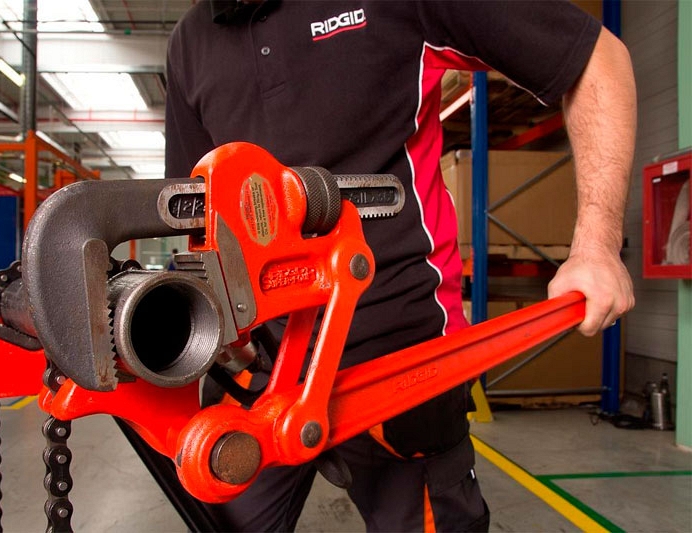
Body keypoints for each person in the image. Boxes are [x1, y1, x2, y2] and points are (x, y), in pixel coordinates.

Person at [164, 1, 636, 531]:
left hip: (401, 362)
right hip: (260, 370)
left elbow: (596, 58)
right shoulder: (189, 42)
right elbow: (193, 204)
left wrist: (596, 246)